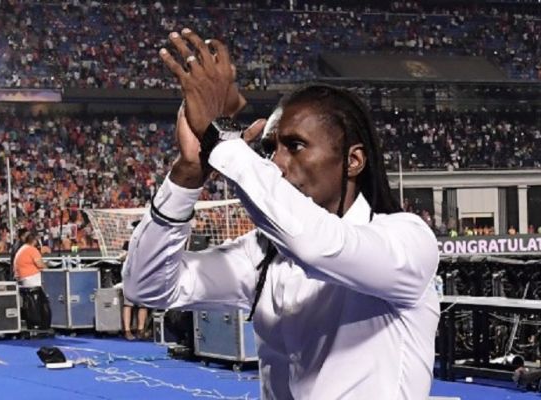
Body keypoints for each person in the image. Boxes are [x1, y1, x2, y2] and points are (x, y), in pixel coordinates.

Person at [124, 28, 439, 399]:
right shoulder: (262, 256)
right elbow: (147, 286)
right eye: (270, 148)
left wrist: (220, 139)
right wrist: (189, 172)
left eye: (296, 145)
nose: (276, 163)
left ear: (353, 161)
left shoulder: (407, 241)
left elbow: (318, 246)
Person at [119, 240, 149, 341]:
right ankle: (127, 331)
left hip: (143, 275)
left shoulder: (147, 244)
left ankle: (140, 330)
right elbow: (120, 258)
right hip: (129, 276)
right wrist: (128, 254)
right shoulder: (128, 243)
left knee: (143, 304)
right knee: (128, 304)